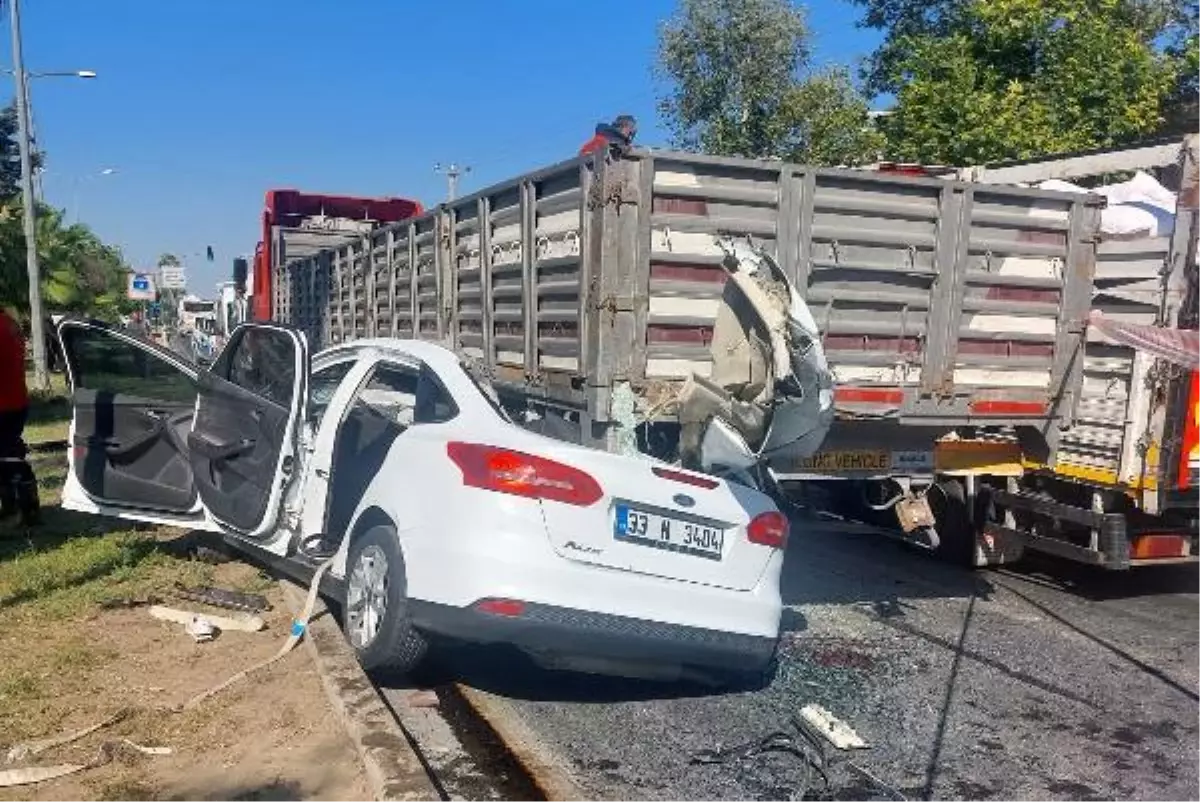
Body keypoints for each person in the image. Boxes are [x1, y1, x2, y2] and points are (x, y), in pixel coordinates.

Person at [0, 307, 39, 527]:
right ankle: (22, 505)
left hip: (3, 403)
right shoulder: (10, 323)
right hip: (16, 400)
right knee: (9, 452)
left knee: (7, 455)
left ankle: (18, 507)